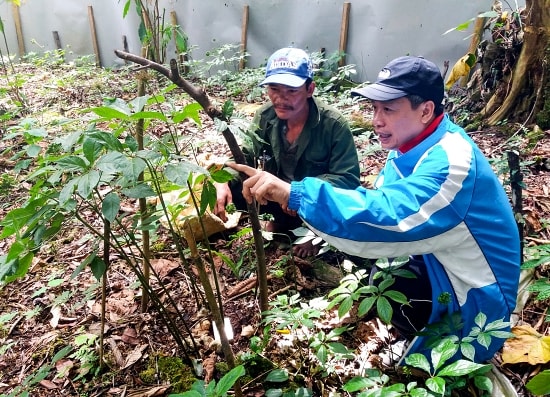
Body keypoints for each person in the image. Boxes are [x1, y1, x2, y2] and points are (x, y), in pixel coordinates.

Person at [228, 55, 520, 363]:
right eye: (375, 108)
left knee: (386, 277)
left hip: (477, 304)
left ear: (426, 111)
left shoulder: (451, 165)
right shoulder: (411, 145)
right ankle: (416, 329)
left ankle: (442, 351)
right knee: (381, 273)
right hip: (439, 263)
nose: (376, 120)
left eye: (389, 109)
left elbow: (387, 216)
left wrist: (295, 193)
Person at [214, 47, 361, 257]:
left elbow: (347, 180)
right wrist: (221, 180)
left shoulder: (333, 124)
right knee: (229, 186)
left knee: (341, 202)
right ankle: (279, 224)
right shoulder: (265, 116)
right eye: (274, 89)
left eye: (291, 91)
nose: (281, 99)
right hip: (278, 202)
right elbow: (244, 155)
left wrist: (296, 192)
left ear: (310, 89)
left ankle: (314, 234)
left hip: (309, 203)